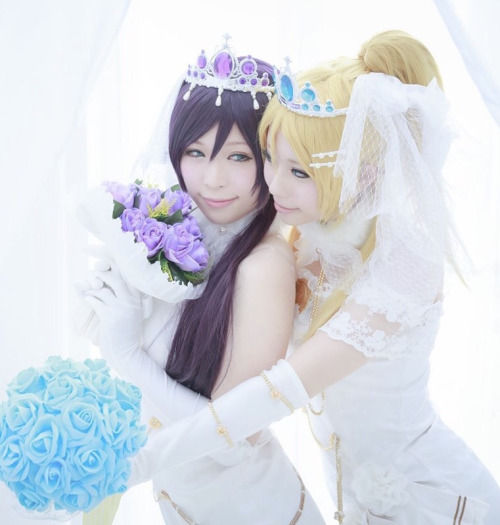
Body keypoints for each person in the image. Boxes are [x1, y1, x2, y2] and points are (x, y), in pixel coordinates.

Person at [122, 31, 500, 524]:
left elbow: (277, 392)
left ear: (364, 173)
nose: (274, 184)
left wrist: (139, 464)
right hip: (353, 499)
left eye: (299, 172)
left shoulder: (404, 258)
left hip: (432, 497)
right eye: (270, 158)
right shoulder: (303, 236)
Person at [81, 37, 324, 524]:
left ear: (269, 160)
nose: (212, 179)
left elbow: (232, 439)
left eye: (238, 157)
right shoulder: (183, 234)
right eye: (195, 151)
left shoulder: (263, 265)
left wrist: (127, 353)